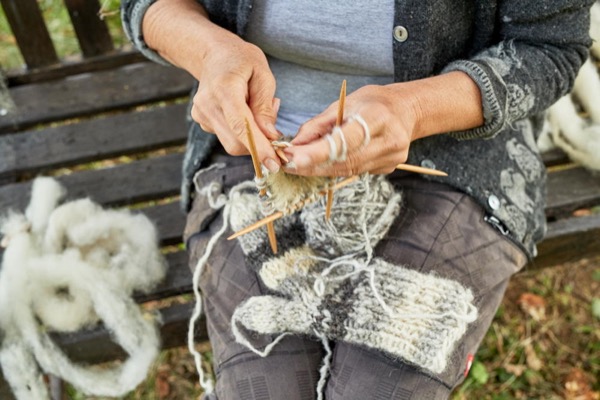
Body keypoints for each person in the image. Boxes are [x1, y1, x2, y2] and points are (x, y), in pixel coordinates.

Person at [121, 1, 594, 399]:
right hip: (259, 158)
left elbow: (548, 47)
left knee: (380, 386)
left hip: (455, 158)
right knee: (264, 387)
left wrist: (412, 109)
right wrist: (210, 51)